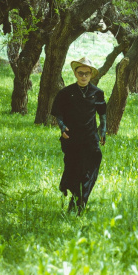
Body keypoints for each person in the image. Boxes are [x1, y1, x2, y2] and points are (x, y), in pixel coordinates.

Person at [50, 55, 107, 213]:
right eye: (80, 73)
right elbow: (58, 114)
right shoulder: (66, 93)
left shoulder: (97, 93)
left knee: (89, 172)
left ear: (91, 75)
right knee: (74, 171)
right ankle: (72, 194)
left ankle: (79, 204)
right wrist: (62, 127)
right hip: (71, 141)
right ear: (75, 74)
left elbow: (102, 114)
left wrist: (103, 130)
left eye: (86, 73)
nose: (83, 76)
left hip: (90, 140)